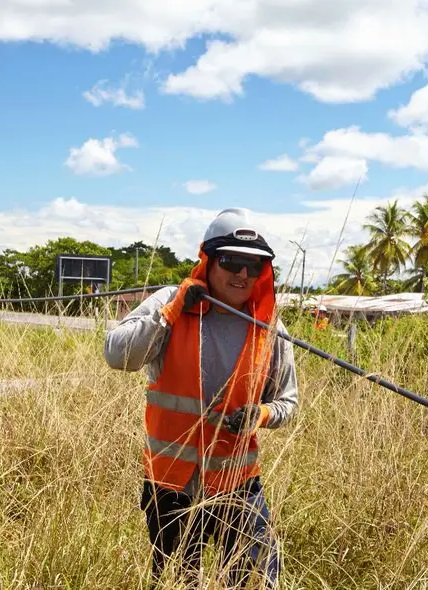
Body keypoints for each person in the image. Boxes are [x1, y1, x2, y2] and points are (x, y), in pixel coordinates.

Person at [103, 208, 299, 588]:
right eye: (232, 262)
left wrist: (260, 414)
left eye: (254, 266)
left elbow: (288, 402)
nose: (242, 274)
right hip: (171, 484)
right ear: (208, 260)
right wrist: (171, 312)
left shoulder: (269, 326)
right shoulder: (170, 303)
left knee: (256, 579)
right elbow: (116, 354)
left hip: (237, 483)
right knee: (179, 580)